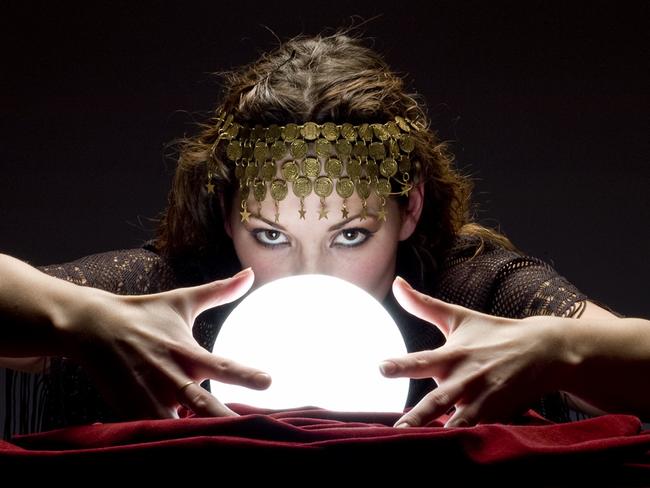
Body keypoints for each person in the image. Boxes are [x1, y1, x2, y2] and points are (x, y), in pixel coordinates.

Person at [1, 31, 648, 438]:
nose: (310, 276)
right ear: (228, 216)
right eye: (271, 236)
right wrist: (73, 317)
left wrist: (564, 347)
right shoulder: (159, 301)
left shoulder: (471, 293)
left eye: (349, 236)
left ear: (410, 210)